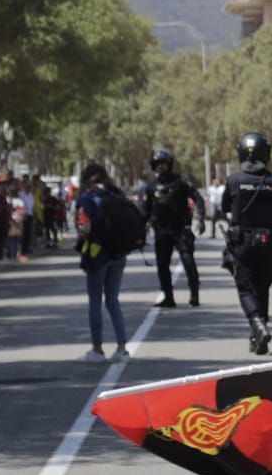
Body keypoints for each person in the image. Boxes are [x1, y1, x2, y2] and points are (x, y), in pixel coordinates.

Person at [222, 132, 272, 355]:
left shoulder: (234, 181)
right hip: (266, 243)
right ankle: (259, 334)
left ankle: (258, 326)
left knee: (245, 288)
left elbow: (224, 206)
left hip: (241, 242)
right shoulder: (271, 182)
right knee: (263, 288)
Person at [73, 163, 131, 363]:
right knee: (113, 300)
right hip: (119, 254)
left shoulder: (87, 198)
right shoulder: (117, 194)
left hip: (97, 255)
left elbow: (83, 228)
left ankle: (97, 350)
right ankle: (122, 348)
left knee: (95, 302)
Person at [140, 147, 204, 308]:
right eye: (157, 164)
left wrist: (200, 218)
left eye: (163, 163)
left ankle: (194, 293)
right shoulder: (150, 186)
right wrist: (140, 230)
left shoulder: (180, 182)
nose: (160, 167)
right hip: (161, 232)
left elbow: (198, 198)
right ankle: (168, 296)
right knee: (162, 265)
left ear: (169, 164)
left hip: (181, 229)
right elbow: (144, 210)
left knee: (188, 261)